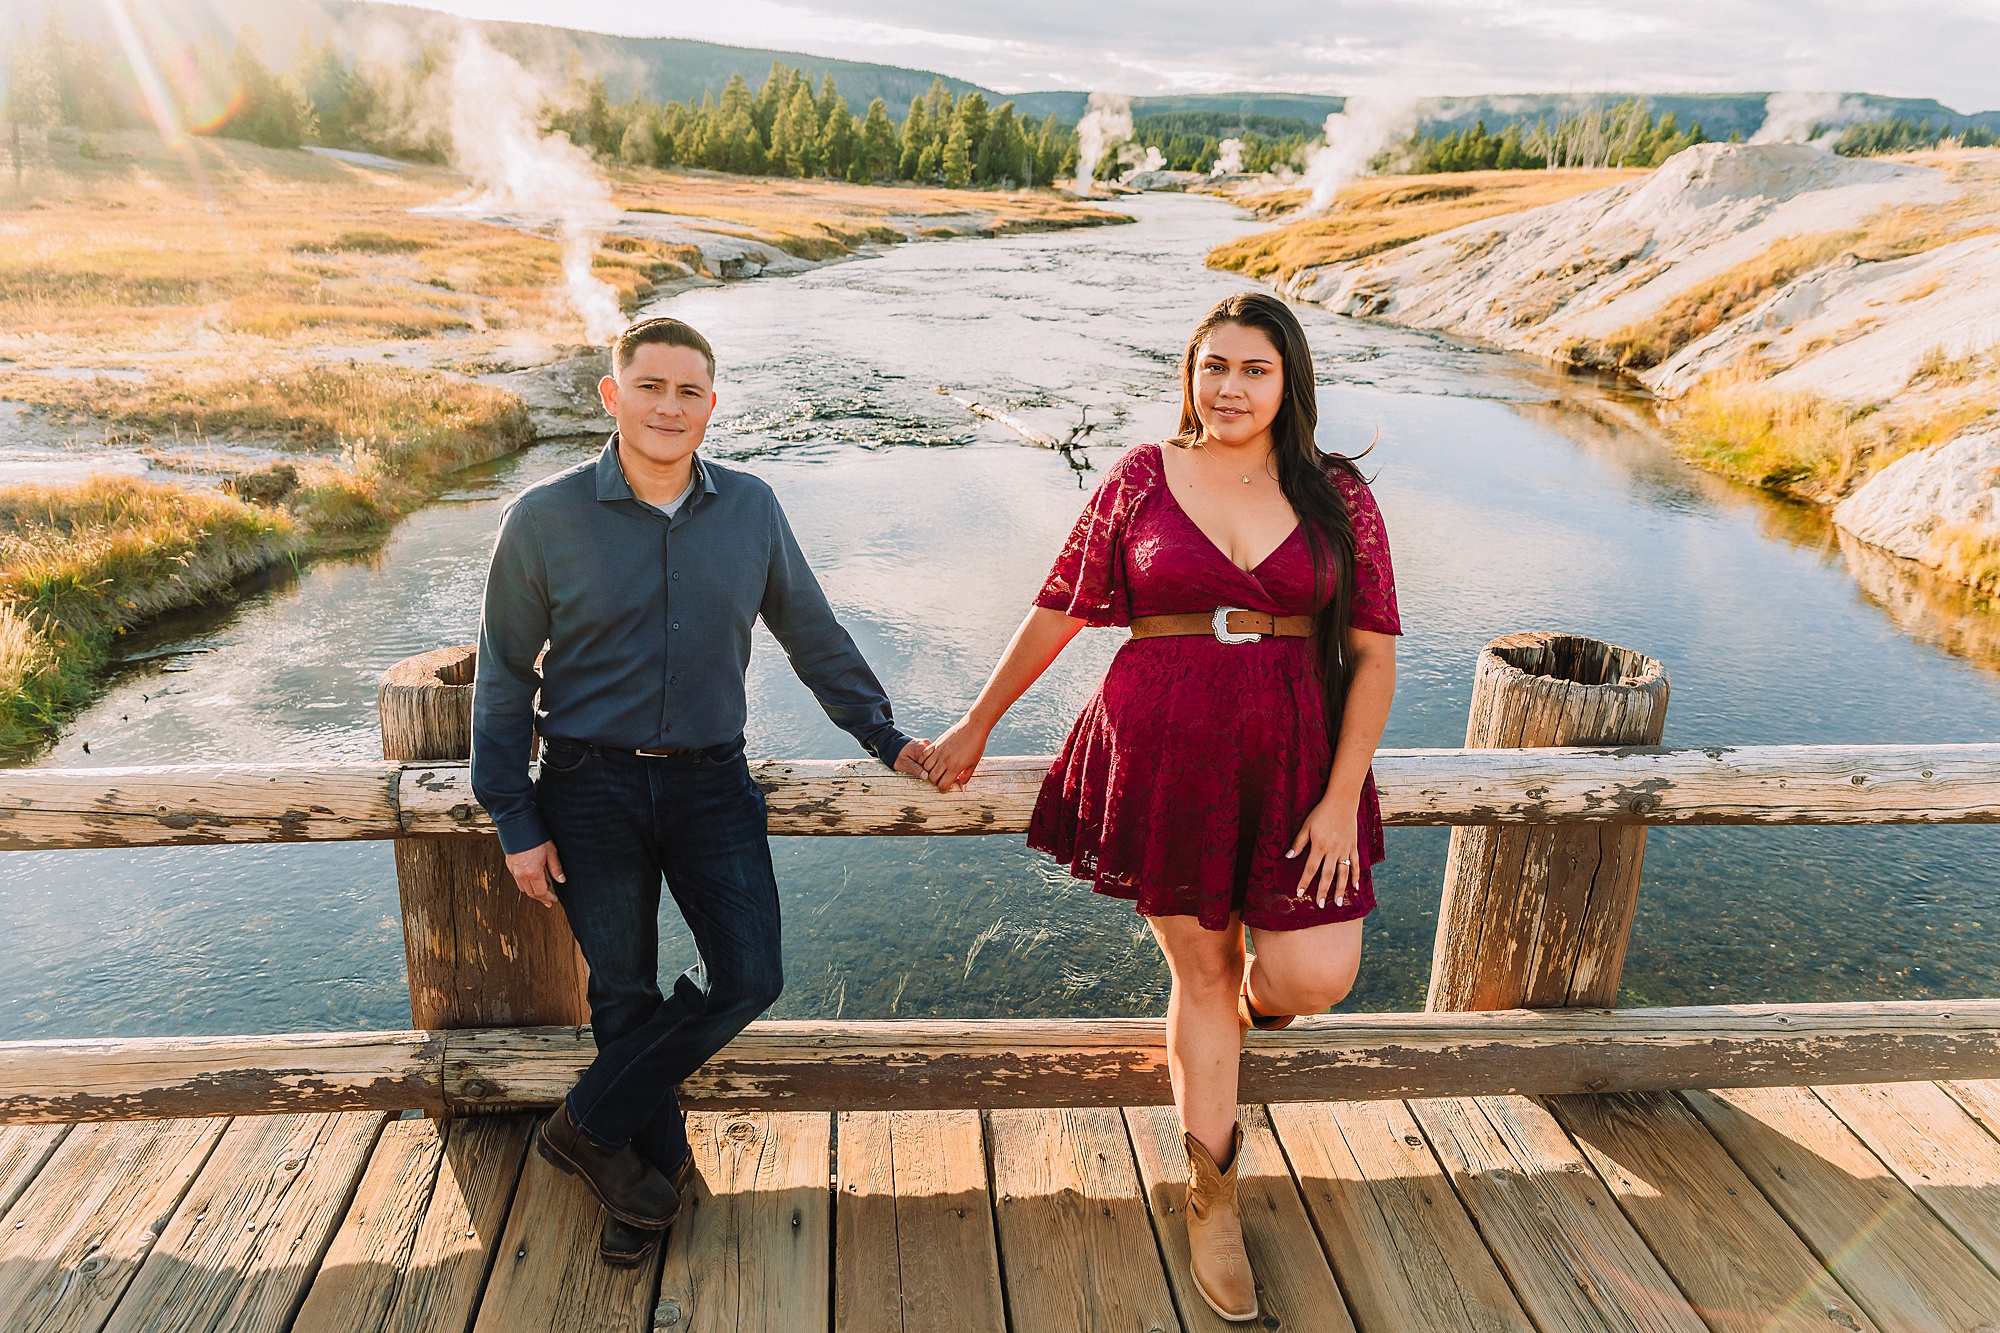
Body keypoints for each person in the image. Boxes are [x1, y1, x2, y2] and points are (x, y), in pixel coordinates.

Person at [917, 291, 1399, 1322]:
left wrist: (1340, 794)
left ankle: (1243, 1018)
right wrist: (976, 722)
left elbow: (1371, 654)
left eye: (1254, 369)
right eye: (1212, 365)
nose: (1229, 387)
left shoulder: (1337, 492)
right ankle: (1210, 1197)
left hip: (1297, 761)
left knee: (1313, 973)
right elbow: (1058, 606)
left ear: (1289, 382)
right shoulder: (1141, 475)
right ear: (1189, 372)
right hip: (1164, 752)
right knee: (1203, 969)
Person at [470, 315, 930, 1268]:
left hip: (712, 781)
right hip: (588, 787)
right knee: (622, 990)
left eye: (689, 391)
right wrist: (514, 815)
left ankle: (587, 1122)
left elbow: (813, 634)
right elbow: (505, 677)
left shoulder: (751, 508)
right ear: (612, 395)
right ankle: (648, 1178)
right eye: (650, 386)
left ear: (711, 405)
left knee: (752, 974)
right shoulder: (543, 518)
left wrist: (883, 736)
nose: (669, 406)